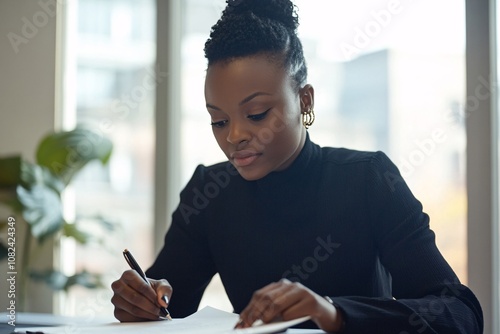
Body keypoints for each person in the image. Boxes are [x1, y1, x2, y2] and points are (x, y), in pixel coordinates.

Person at [111, 0, 483, 332]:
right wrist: (142, 302)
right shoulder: (210, 193)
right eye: (219, 121)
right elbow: (166, 308)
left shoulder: (368, 179)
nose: (234, 136)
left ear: (304, 101)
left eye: (256, 114)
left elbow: (460, 313)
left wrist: (334, 314)